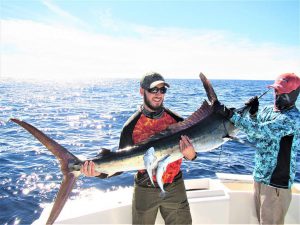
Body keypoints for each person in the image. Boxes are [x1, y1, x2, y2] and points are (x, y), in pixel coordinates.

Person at [81, 72, 197, 225]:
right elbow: (121, 163)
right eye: (153, 90)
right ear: (142, 91)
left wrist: (192, 155)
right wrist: (99, 173)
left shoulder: (178, 121)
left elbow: (191, 152)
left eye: (162, 90)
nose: (158, 95)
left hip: (175, 186)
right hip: (145, 188)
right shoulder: (130, 126)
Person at [215, 73, 300, 225]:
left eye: (282, 92)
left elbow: (259, 131)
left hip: (276, 184)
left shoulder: (293, 119)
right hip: (260, 178)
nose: (277, 94)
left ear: (294, 94)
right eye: (276, 90)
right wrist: (253, 114)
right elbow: (255, 137)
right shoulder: (269, 111)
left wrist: (230, 115)